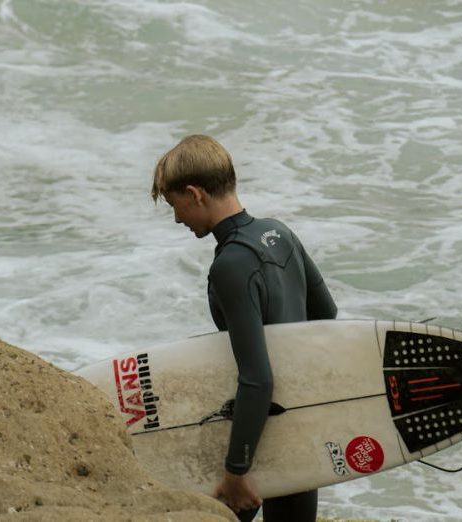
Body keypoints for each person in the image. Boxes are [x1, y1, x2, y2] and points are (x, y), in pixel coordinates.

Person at [152, 134, 337, 522]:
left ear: (195, 193)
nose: (176, 218)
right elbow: (326, 315)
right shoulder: (279, 233)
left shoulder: (232, 265)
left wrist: (236, 470)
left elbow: (256, 378)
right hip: (299, 425)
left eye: (175, 204)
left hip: (258, 435)